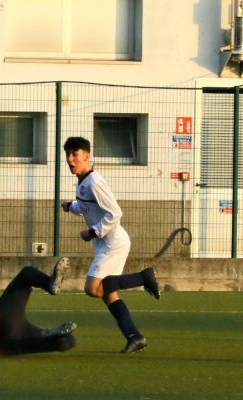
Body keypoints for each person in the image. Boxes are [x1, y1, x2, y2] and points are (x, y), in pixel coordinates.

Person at [61, 136, 160, 354]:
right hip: (105, 244)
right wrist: (71, 206)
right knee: (108, 293)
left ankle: (143, 277)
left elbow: (115, 213)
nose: (69, 159)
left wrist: (93, 232)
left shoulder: (94, 181)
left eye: (74, 154)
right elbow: (89, 207)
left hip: (113, 244)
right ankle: (135, 337)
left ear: (87, 156)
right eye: (67, 154)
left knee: (92, 288)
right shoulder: (84, 181)